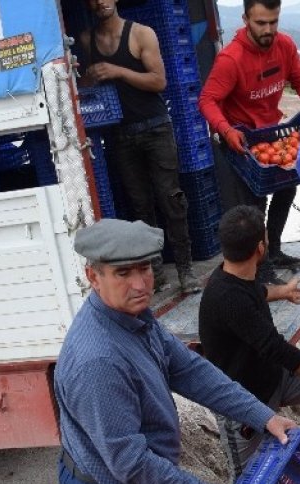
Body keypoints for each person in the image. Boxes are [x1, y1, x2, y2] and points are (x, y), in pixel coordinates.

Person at [55, 218, 298, 484]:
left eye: (145, 268)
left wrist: (263, 414)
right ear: (92, 277)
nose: (140, 283)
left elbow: (190, 371)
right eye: (123, 273)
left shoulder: (137, 320)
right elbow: (129, 461)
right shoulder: (98, 360)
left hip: (147, 474)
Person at [198, 205, 300, 478]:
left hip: (274, 378)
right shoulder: (228, 299)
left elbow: (256, 291)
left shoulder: (233, 274)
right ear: (260, 249)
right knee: (246, 481)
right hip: (242, 404)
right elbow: (280, 351)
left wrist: (283, 292)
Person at [198, 0, 300, 284]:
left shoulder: (284, 46)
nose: (268, 29)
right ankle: (260, 268)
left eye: (273, 22)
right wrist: (225, 130)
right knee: (254, 204)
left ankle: (275, 251)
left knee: (287, 187)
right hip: (241, 141)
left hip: (270, 134)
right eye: (261, 23)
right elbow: (207, 100)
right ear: (246, 18)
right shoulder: (231, 59)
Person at [77, 0, 201, 294]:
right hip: (119, 136)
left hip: (156, 128)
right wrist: (89, 78)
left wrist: (118, 71)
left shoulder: (141, 33)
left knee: (171, 201)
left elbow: (159, 80)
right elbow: (80, 87)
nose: (100, 2)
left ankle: (186, 271)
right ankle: (155, 274)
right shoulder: (85, 40)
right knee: (140, 209)